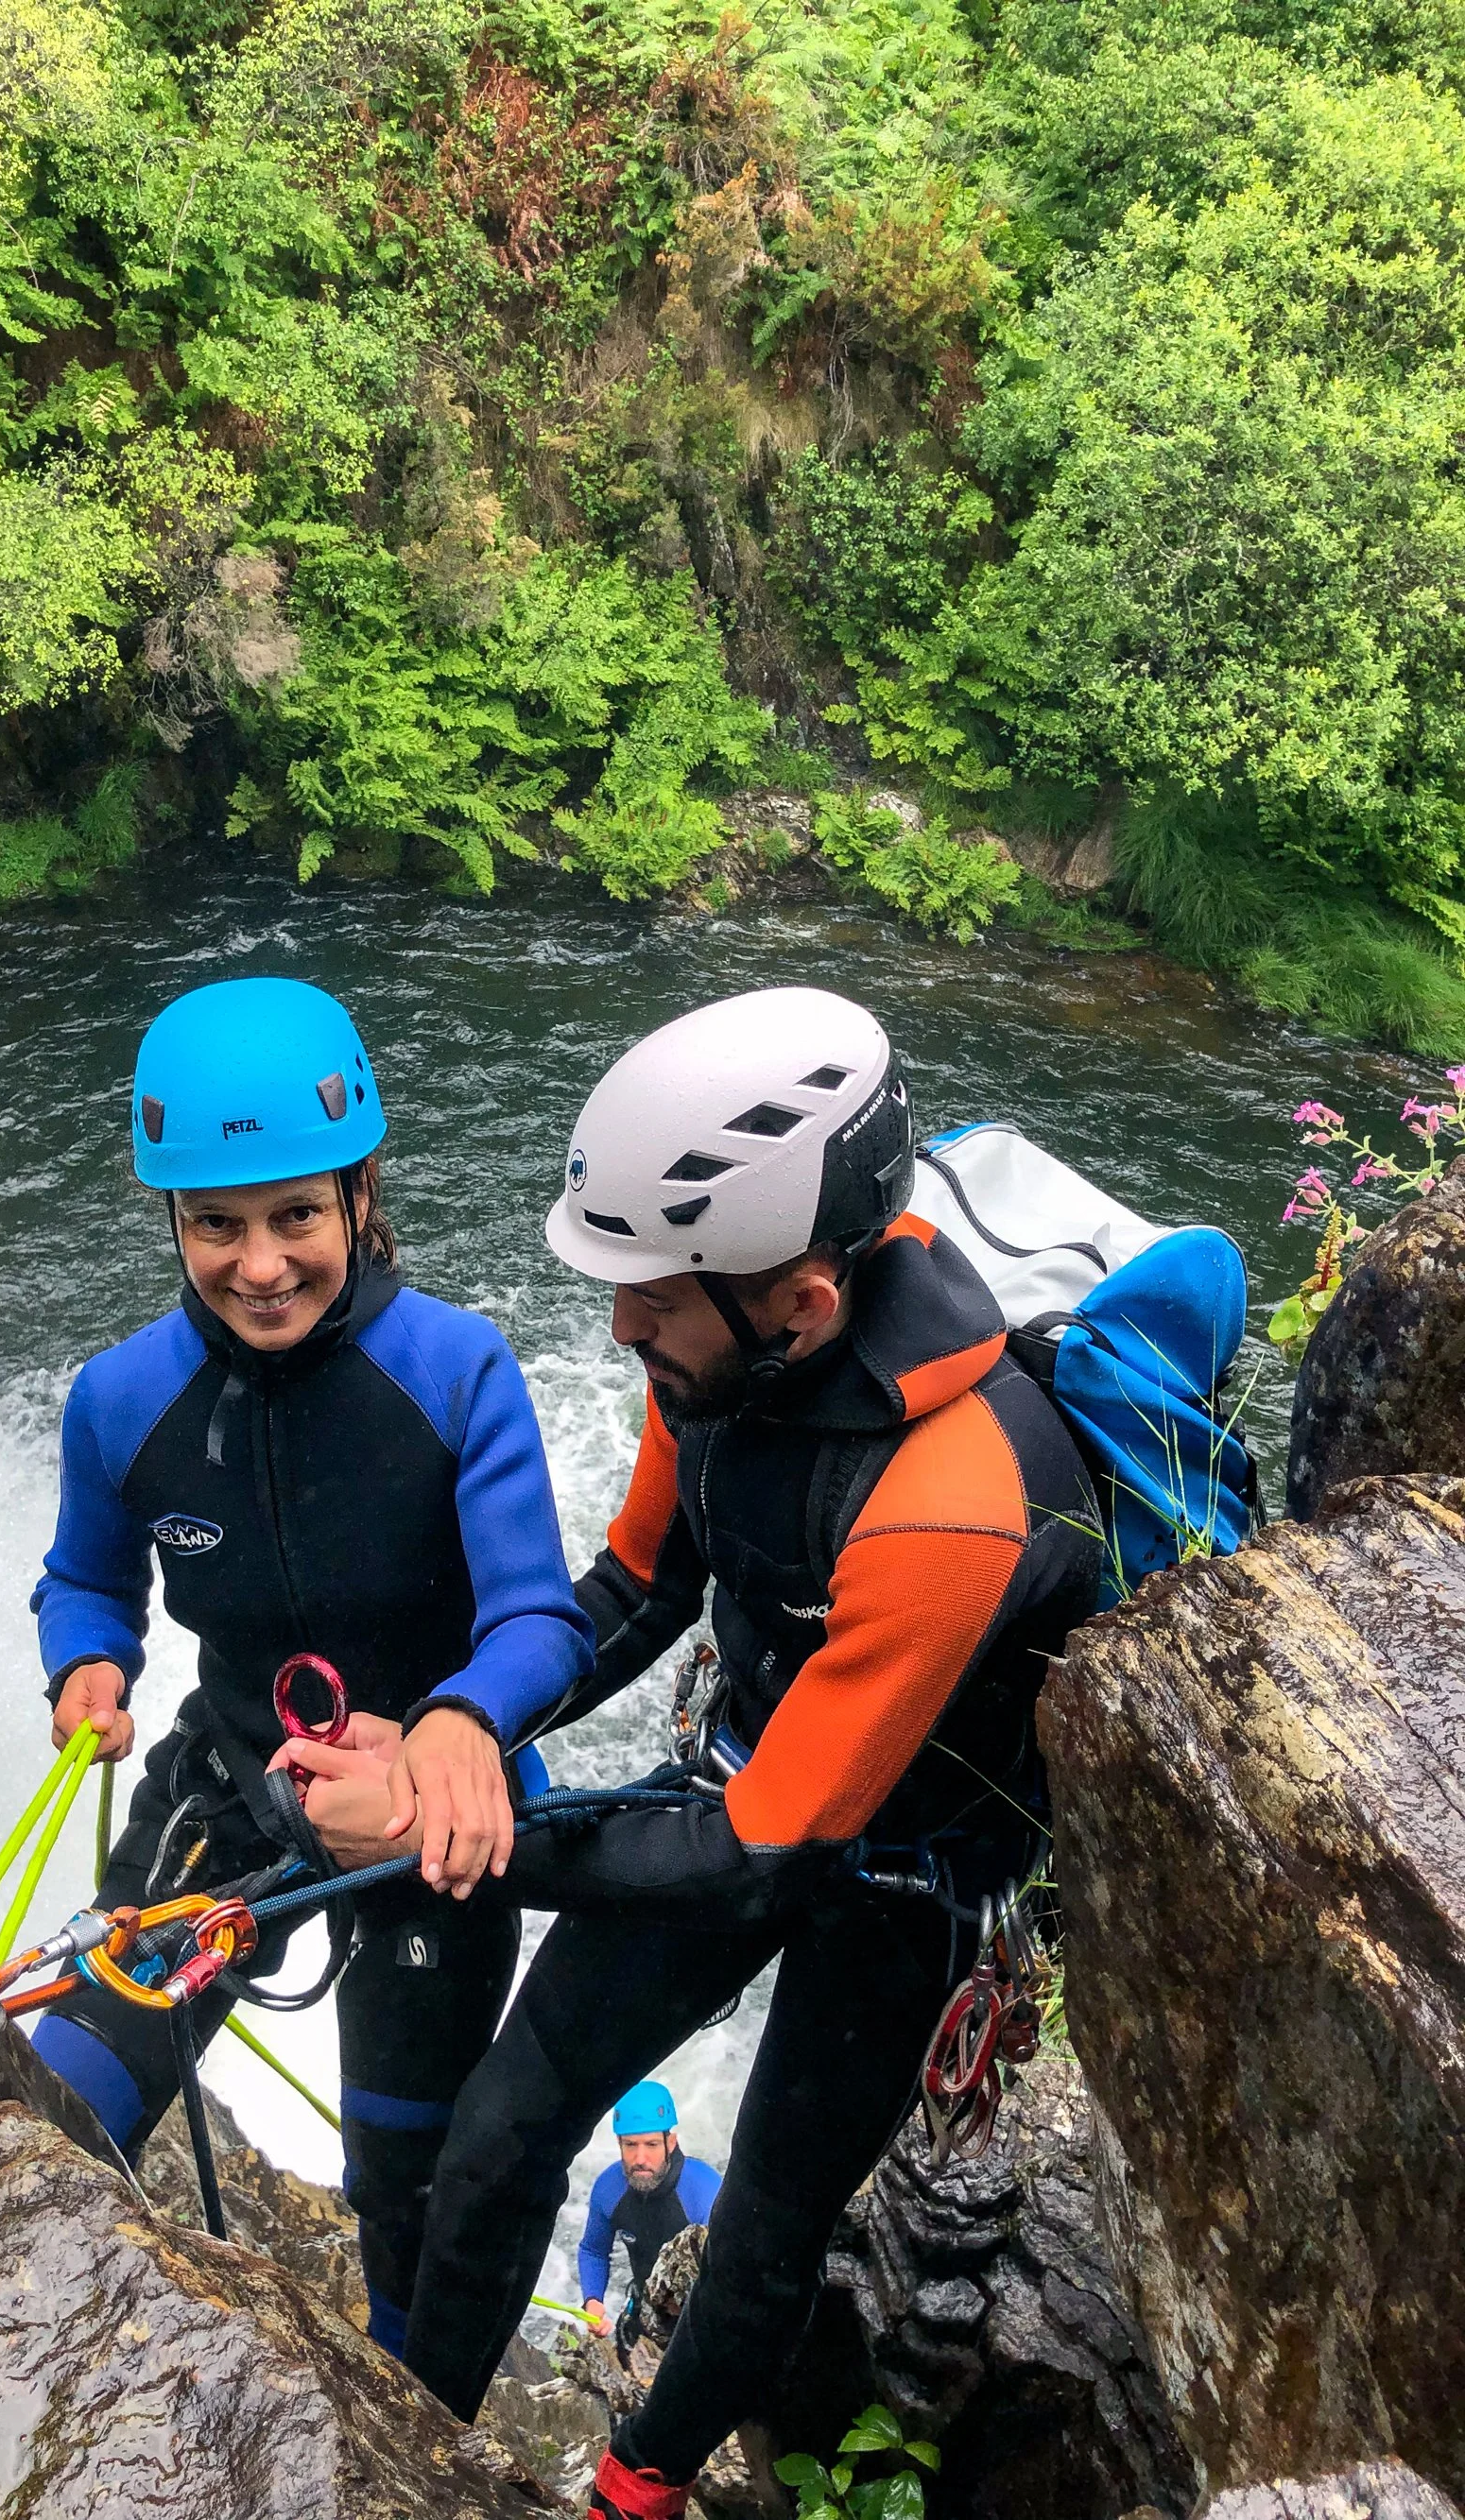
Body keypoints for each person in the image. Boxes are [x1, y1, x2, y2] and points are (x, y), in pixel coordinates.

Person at [382, 986, 1102, 2515]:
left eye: (652, 1292)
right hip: (761, 1774)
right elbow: (640, 1584)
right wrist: (460, 1718)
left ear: (803, 1300)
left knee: (772, 2221)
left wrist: (477, 1836)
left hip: (902, 1877)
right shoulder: (709, 1357)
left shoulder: (958, 1488)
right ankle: (399, 2446)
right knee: (509, 2118)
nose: (620, 1322)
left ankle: (634, 2487)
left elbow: (765, 1847)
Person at [26, 973, 594, 2358]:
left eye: (295, 1215)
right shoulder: (119, 1399)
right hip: (228, 1781)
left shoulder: (456, 1373)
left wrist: (459, 1722)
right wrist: (86, 1662)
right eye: (217, 1222)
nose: (260, 1262)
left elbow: (540, 1621)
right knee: (64, 2099)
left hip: (422, 1815)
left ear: (358, 1194)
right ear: (170, 1218)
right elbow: (90, 1577)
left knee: (404, 2179)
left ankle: (399, 2438)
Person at [577, 2082, 721, 2340]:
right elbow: (593, 2250)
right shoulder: (608, 2189)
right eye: (630, 2145)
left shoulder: (702, 2191)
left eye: (652, 2145)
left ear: (671, 2142)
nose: (640, 2158)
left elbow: (729, 2271)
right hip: (648, 2307)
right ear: (619, 2144)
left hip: (705, 2314)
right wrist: (592, 2300)